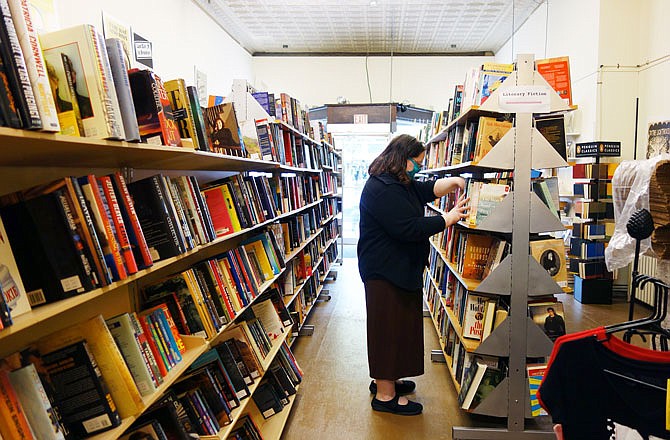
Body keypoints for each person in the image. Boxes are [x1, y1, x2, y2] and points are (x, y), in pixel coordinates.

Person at [358, 134, 469, 415]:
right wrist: (448, 218)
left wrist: (454, 182)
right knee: (387, 329)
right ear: (401, 159)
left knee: (398, 328)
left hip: (398, 268)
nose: (419, 168)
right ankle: (385, 396)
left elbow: (427, 190)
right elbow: (408, 228)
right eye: (416, 163)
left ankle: (389, 379)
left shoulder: (399, 182)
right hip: (384, 271)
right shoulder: (381, 188)